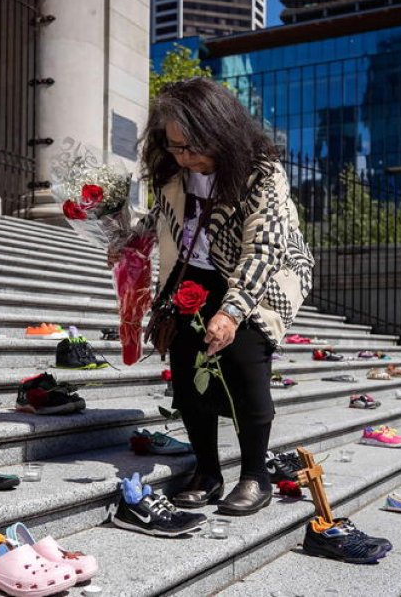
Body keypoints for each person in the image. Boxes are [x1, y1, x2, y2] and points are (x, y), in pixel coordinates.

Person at [109, 77, 314, 516]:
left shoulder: (261, 173)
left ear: (218, 131)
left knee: (243, 365)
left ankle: (256, 476)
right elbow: (165, 220)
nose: (183, 156)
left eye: (191, 147)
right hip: (192, 276)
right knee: (186, 373)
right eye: (175, 146)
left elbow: (264, 247)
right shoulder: (173, 169)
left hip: (257, 276)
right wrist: (122, 235)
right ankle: (207, 471)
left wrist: (234, 310)